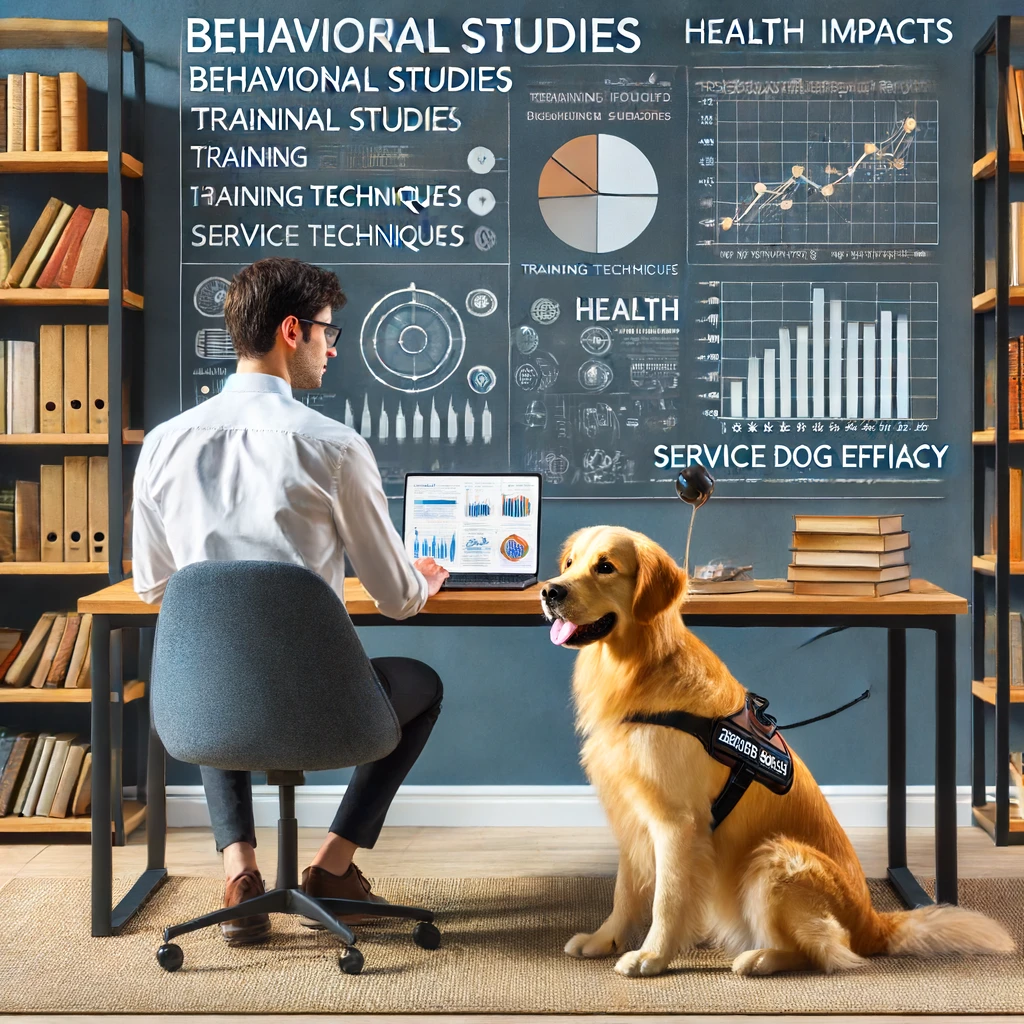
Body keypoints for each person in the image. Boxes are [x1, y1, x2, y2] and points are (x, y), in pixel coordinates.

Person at [132, 257, 449, 945]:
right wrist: (423, 576)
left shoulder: (162, 444)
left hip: (204, 710)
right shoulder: (332, 446)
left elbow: (157, 588)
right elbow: (397, 599)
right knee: (421, 682)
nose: (334, 349)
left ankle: (239, 874)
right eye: (329, 334)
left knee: (223, 668)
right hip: (325, 711)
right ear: (291, 331)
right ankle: (333, 869)